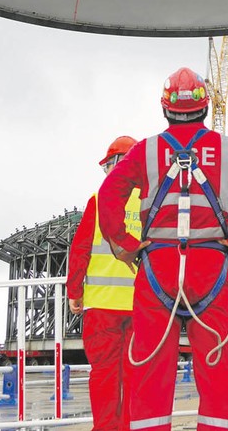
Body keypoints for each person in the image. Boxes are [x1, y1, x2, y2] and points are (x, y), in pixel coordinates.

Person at [98, 67, 228, 431]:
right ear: (205, 107)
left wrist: (127, 246)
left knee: (150, 374)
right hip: (211, 268)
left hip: (156, 270)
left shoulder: (146, 150)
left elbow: (109, 193)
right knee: (218, 375)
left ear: (164, 108)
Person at [67, 136, 141, 431]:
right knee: (135, 376)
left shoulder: (99, 200)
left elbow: (81, 249)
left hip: (101, 307)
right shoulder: (151, 202)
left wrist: (75, 292)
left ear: (114, 165)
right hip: (141, 307)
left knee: (105, 376)